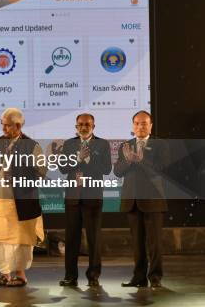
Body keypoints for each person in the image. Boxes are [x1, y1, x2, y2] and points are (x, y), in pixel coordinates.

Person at [0, 108, 46, 287]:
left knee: (20, 240)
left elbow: (41, 172)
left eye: (6, 125)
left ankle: (20, 275)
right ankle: (4, 274)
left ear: (18, 126)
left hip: (21, 201)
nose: (3, 129)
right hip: (1, 200)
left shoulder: (31, 145)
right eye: (2, 124)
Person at [114, 111, 169, 288]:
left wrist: (141, 161)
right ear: (133, 126)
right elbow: (117, 171)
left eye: (144, 123)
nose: (140, 126)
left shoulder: (160, 145)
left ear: (151, 126)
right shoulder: (126, 145)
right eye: (137, 123)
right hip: (132, 201)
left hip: (153, 201)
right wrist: (130, 161)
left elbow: (162, 170)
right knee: (137, 244)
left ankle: (155, 277)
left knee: (154, 244)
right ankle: (138, 278)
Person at [58, 114, 111, 287]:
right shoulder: (69, 144)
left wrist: (87, 159)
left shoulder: (102, 144)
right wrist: (78, 159)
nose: (83, 127)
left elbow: (106, 168)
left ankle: (93, 276)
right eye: (80, 124)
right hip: (73, 198)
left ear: (93, 125)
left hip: (93, 197)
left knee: (93, 239)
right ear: (76, 126)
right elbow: (63, 168)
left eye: (87, 124)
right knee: (71, 239)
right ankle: (70, 276)